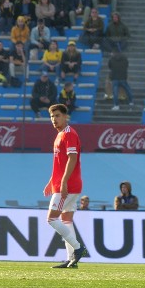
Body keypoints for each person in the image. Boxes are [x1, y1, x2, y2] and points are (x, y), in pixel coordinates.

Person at [43, 104, 87, 269]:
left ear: (65, 117)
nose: (54, 119)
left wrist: (63, 182)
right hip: (64, 183)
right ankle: (71, 259)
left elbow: (72, 158)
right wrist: (52, 181)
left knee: (51, 219)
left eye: (57, 116)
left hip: (68, 185)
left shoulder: (69, 134)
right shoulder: (60, 135)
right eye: (52, 116)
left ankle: (78, 248)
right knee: (66, 220)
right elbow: (60, 163)